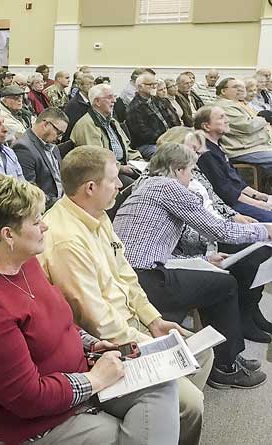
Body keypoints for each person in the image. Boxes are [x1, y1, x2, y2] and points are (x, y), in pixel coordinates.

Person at [0, 174, 180, 445]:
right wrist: (93, 380)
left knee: (161, 388)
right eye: (36, 221)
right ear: (8, 235)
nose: (45, 226)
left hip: (74, 384)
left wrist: (92, 345)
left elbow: (61, 321)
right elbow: (26, 398)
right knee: (132, 431)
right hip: (23, 426)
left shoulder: (22, 260)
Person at [40, 146, 213, 444]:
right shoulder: (66, 240)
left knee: (203, 351)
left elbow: (126, 277)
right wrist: (154, 347)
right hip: (106, 347)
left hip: (131, 326)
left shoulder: (97, 214)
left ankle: (161, 424)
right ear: (91, 187)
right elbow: (95, 321)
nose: (121, 184)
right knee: (191, 404)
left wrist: (154, 321)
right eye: (113, 179)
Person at [113, 143, 269, 389]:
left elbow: (157, 249)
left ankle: (225, 356)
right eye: (191, 171)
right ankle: (225, 366)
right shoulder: (169, 187)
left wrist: (204, 261)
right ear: (176, 170)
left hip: (132, 275)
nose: (193, 177)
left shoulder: (144, 186)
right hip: (145, 280)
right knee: (225, 285)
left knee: (213, 281)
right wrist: (265, 230)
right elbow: (219, 230)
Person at [194, 106, 272, 222]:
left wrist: (262, 196)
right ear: (206, 126)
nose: (227, 120)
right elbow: (225, 192)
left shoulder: (217, 147)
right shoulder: (205, 153)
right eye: (221, 117)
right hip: (228, 206)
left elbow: (236, 181)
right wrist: (259, 204)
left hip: (238, 199)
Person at [70, 83, 141, 187]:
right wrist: (121, 168)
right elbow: (96, 159)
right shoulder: (87, 125)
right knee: (137, 187)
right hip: (103, 174)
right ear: (97, 102)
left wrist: (139, 160)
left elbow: (127, 148)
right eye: (109, 97)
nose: (114, 101)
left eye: (114, 96)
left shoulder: (112, 122)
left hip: (121, 167)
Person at [213, 77, 272, 171]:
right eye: (235, 87)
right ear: (223, 91)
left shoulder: (236, 103)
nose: (240, 89)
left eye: (241, 86)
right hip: (244, 150)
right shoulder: (223, 106)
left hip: (256, 146)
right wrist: (264, 118)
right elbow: (247, 126)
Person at [13, 108, 67, 209]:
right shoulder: (23, 149)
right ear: (46, 125)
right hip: (44, 209)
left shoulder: (52, 144)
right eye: (59, 132)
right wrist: (63, 204)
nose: (60, 138)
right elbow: (31, 193)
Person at [126, 73, 180, 159]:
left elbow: (173, 121)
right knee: (170, 156)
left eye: (155, 84)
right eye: (150, 84)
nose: (154, 86)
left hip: (169, 139)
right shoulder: (134, 108)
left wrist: (176, 135)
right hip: (148, 144)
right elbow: (144, 134)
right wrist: (167, 139)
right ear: (140, 87)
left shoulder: (160, 100)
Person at [63, 74, 94, 138]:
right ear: (80, 86)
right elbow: (72, 127)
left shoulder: (91, 101)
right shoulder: (75, 104)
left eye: (93, 84)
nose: (92, 86)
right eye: (89, 84)